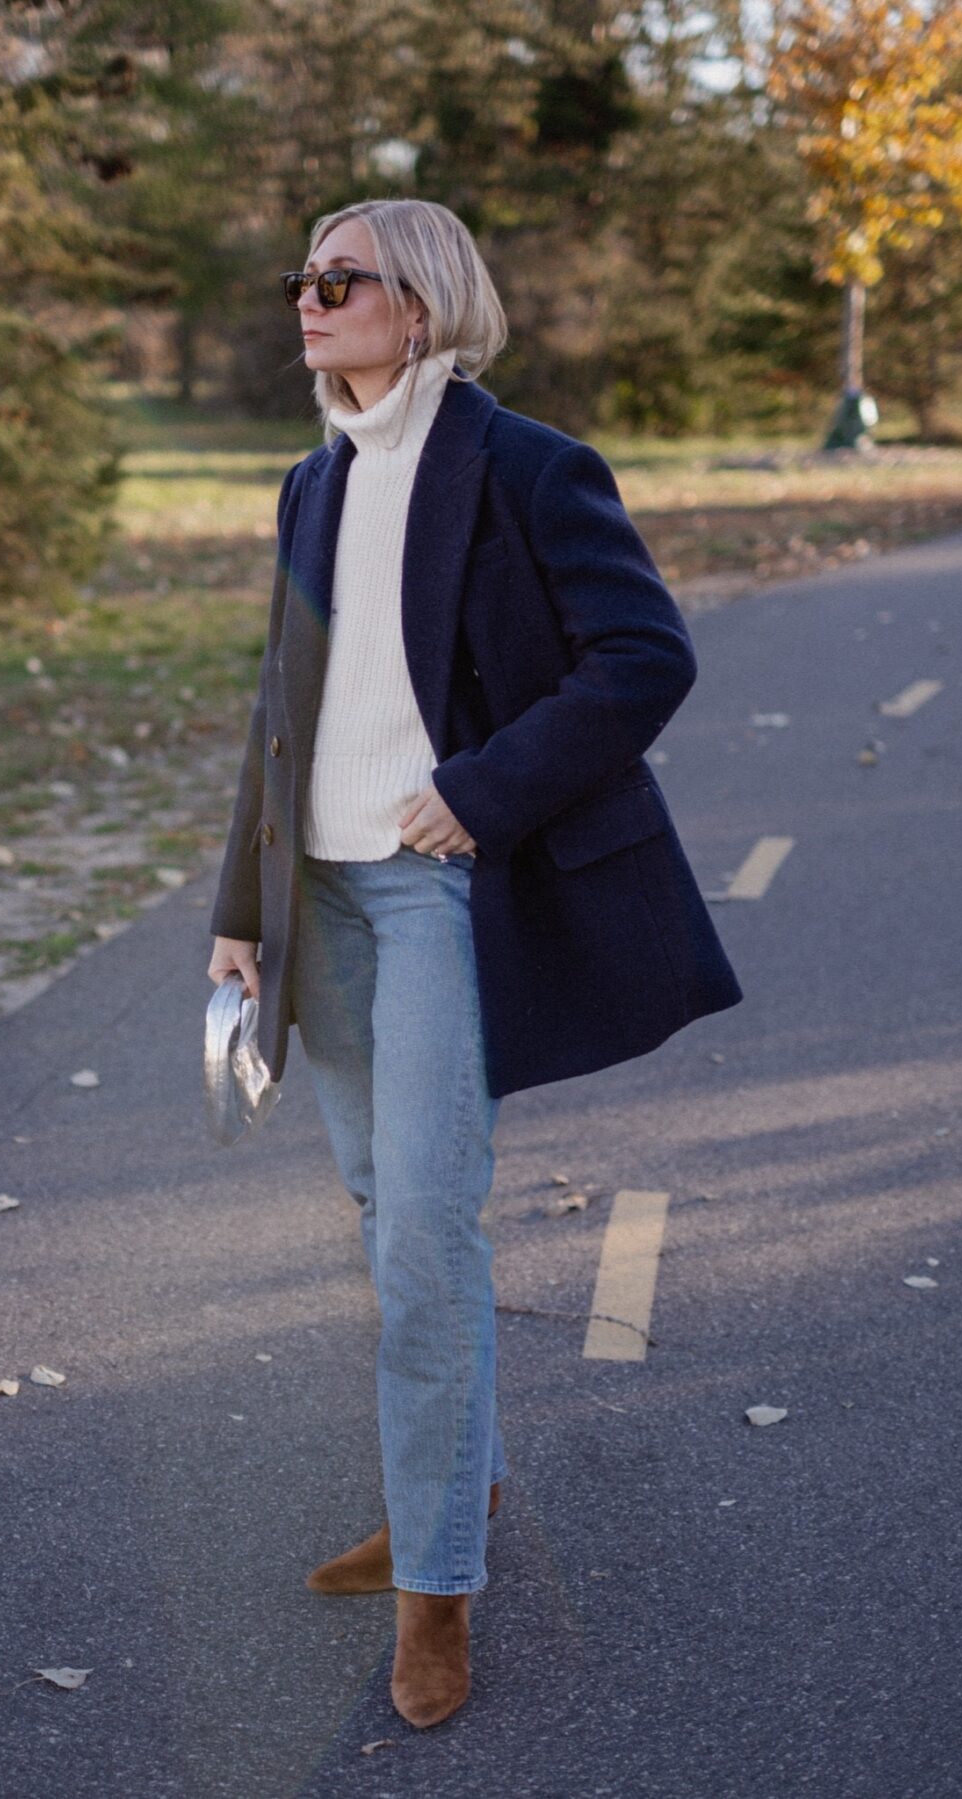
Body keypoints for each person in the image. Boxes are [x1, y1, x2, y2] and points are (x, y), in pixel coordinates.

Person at [207, 198, 743, 1730]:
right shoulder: (311, 484)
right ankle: (461, 1483)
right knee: (389, 1215)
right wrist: (239, 904)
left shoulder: (523, 466)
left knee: (429, 1238)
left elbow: (645, 657)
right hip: (322, 897)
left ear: (421, 305)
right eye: (297, 280)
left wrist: (483, 790)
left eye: (336, 280)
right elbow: (281, 704)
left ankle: (437, 1590)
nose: (304, 303)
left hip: (443, 892)